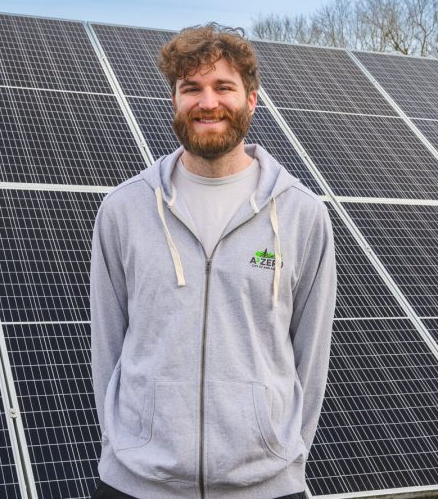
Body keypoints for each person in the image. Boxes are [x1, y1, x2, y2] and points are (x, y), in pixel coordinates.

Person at [89, 25, 337, 499]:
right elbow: (108, 345)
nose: (208, 103)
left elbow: (312, 353)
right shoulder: (124, 209)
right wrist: (126, 446)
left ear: (251, 100)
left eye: (224, 87)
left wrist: (284, 454)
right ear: (175, 100)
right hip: (136, 485)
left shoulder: (303, 214)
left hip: (267, 486)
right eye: (192, 89)